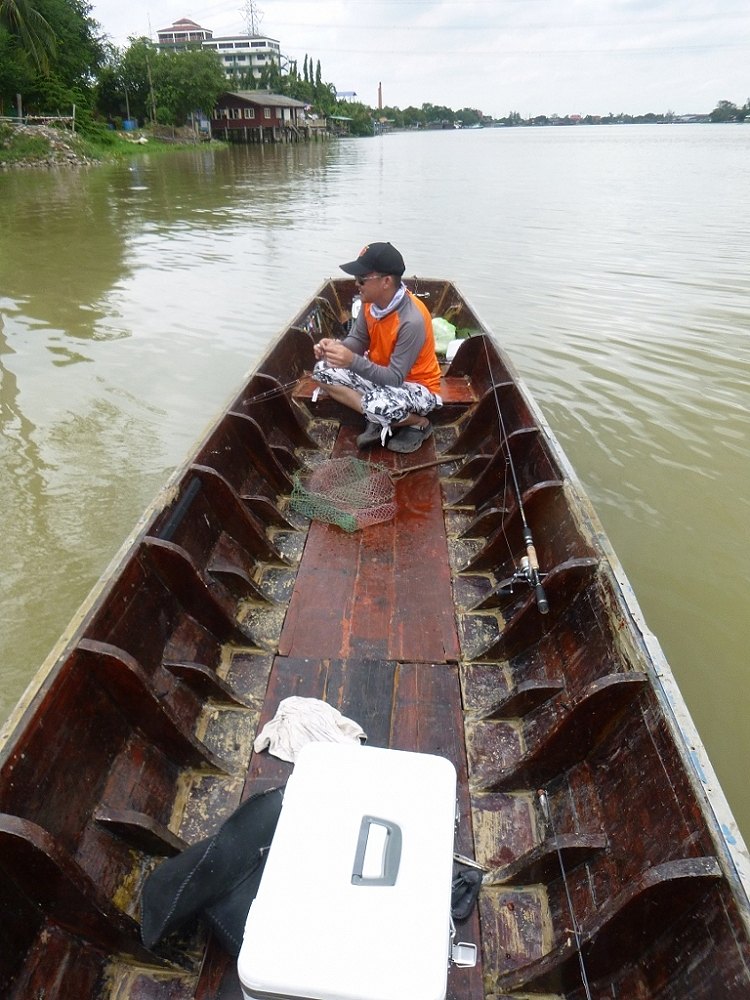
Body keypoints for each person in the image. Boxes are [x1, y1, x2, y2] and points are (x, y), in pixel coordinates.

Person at [312, 242, 442, 454]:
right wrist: (335, 349)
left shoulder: (412, 320)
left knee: (375, 405)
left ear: (386, 281)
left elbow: (395, 378)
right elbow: (358, 340)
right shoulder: (369, 303)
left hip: (417, 387)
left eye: (362, 279)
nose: (357, 284)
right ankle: (377, 417)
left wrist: (351, 361)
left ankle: (419, 423)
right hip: (379, 377)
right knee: (322, 371)